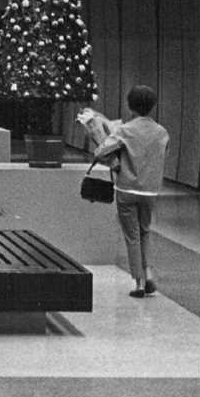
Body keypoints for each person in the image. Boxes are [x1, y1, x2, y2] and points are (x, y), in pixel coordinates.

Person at [78, 84, 169, 297]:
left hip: (127, 188)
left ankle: (138, 283)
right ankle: (148, 275)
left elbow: (102, 151)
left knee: (132, 236)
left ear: (130, 106)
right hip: (150, 190)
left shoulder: (125, 130)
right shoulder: (162, 132)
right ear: (152, 106)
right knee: (145, 231)